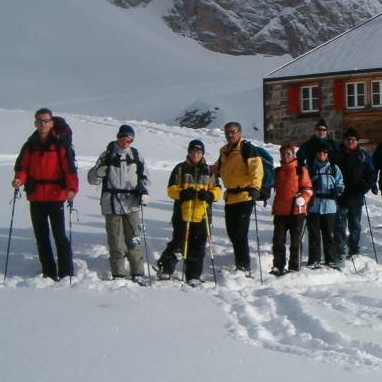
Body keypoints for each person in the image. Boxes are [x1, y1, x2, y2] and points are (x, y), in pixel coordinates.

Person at [12, 108, 79, 280]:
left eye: (46, 121)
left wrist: (72, 188)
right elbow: (22, 167)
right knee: (41, 238)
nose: (43, 124)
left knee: (59, 236)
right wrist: (19, 179)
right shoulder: (30, 145)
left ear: (51, 123)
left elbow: (69, 168)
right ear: (35, 123)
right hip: (36, 196)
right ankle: (48, 272)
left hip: (56, 195)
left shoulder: (60, 143)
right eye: (40, 121)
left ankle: (65, 273)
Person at [86, 124, 150, 282]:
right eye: (123, 139)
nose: (125, 143)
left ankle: (138, 273)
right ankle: (118, 274)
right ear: (118, 137)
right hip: (111, 204)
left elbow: (145, 178)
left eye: (129, 140)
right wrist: (98, 172)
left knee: (134, 240)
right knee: (115, 242)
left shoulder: (136, 155)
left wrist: (144, 193)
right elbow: (92, 180)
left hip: (132, 204)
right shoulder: (107, 155)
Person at [156, 139, 221, 283]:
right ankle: (165, 268)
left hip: (202, 215)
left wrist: (209, 195)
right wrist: (183, 193)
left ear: (202, 153)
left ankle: (193, 276)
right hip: (183, 214)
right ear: (189, 152)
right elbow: (171, 189)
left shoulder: (209, 170)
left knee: (198, 247)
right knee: (178, 244)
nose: (196, 154)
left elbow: (217, 189)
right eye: (193, 151)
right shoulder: (181, 168)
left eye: (199, 152)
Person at [213, 121, 264, 274]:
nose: (230, 135)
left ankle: (244, 266)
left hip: (245, 196)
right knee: (232, 233)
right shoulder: (225, 152)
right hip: (230, 197)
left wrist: (255, 188)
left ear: (239, 133)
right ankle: (240, 263)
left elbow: (256, 169)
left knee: (240, 233)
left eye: (233, 132)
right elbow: (217, 169)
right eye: (227, 132)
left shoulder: (247, 149)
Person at [332, 128, 376, 259]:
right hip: (340, 194)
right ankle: (340, 250)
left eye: (353, 139)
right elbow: (330, 171)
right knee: (340, 224)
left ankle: (354, 249)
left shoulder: (363, 155)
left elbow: (371, 173)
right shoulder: (337, 154)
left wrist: (366, 187)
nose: (351, 142)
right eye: (348, 139)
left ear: (357, 141)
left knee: (355, 225)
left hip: (356, 194)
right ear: (344, 141)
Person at [270, 144, 313, 275]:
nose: (286, 157)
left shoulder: (300, 171)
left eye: (288, 154)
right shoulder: (277, 171)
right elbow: (268, 183)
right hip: (280, 211)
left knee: (295, 241)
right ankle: (278, 265)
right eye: (283, 154)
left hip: (296, 211)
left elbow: (308, 188)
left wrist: (303, 199)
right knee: (278, 240)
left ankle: (294, 266)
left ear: (293, 155)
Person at [306, 144, 344, 269]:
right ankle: (314, 260)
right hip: (314, 206)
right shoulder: (309, 167)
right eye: (319, 151)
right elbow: (303, 183)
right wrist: (311, 187)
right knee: (314, 235)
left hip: (329, 206)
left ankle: (331, 259)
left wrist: (337, 190)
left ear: (328, 154)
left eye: (324, 152)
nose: (322, 154)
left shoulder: (334, 168)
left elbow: (340, 183)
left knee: (328, 235)